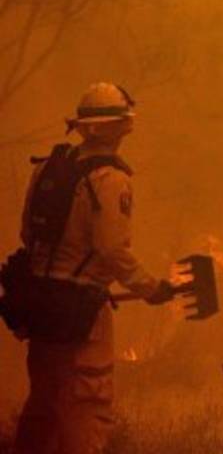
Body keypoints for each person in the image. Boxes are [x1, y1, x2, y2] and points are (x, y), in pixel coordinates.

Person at [11, 82, 175, 454]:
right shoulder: (110, 179)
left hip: (39, 306)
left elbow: (27, 235)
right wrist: (150, 288)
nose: (128, 128)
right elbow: (111, 249)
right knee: (87, 404)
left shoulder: (47, 169)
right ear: (112, 127)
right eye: (123, 122)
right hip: (81, 313)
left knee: (44, 404)